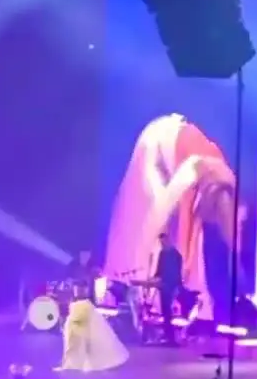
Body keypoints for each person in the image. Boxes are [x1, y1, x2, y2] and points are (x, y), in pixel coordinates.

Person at [103, 113, 244, 323]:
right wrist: (183, 263)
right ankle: (130, 278)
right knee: (147, 218)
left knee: (185, 245)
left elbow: (209, 224)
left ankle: (190, 299)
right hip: (153, 147)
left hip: (177, 154)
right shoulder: (192, 174)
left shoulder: (223, 181)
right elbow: (180, 219)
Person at [54, 285, 129, 372]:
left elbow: (80, 317)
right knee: (75, 346)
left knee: (78, 346)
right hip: (76, 328)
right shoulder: (81, 302)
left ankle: (76, 363)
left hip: (79, 328)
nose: (78, 291)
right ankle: (73, 362)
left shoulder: (84, 303)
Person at [153, 231, 183, 345]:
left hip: (170, 286)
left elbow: (177, 273)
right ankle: (167, 334)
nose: (162, 244)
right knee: (165, 310)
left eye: (163, 242)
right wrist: (155, 278)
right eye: (161, 243)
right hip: (163, 286)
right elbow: (159, 270)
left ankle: (170, 336)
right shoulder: (162, 253)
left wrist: (176, 286)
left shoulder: (176, 255)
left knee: (168, 311)